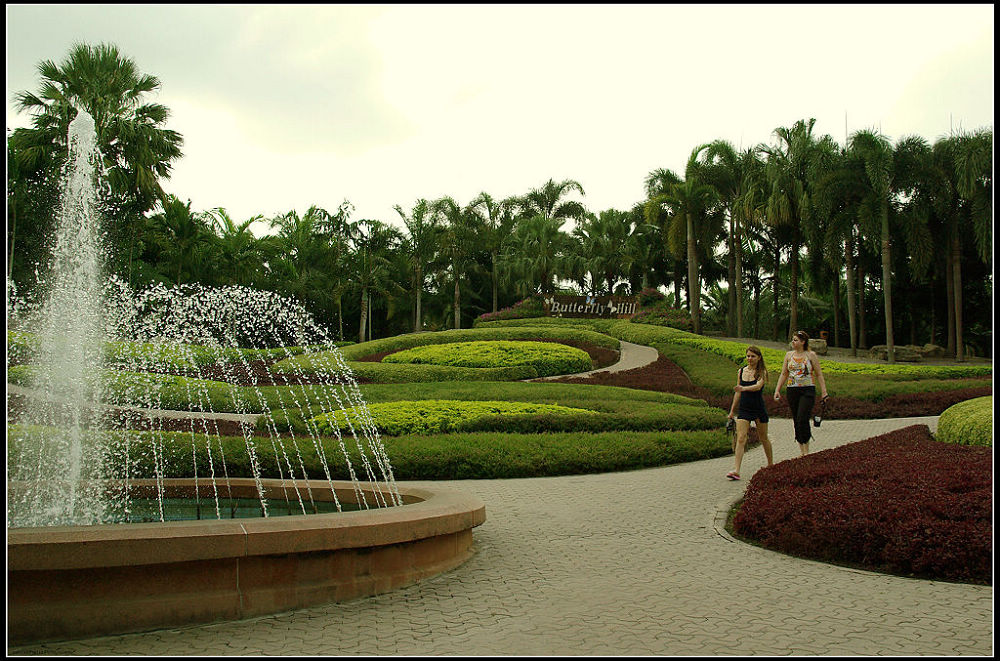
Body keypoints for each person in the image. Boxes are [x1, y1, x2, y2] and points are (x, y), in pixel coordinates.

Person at [773, 330, 829, 456]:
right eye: (792, 340)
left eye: (796, 340)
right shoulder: (788, 355)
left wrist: (824, 391)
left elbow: (819, 374)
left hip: (807, 390)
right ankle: (801, 450)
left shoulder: (811, 355)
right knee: (796, 420)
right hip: (792, 390)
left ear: (803, 342)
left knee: (802, 417)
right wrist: (777, 389)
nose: (793, 342)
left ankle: (807, 447)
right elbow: (784, 374)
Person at [726, 345, 773, 480]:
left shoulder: (762, 372)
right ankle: (736, 470)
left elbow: (758, 386)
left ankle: (770, 465)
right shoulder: (741, 372)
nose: (750, 359)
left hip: (758, 409)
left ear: (758, 358)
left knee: (763, 438)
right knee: (741, 438)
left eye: (753, 356)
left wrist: (744, 389)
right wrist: (732, 411)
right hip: (744, 409)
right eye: (748, 356)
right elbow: (737, 393)